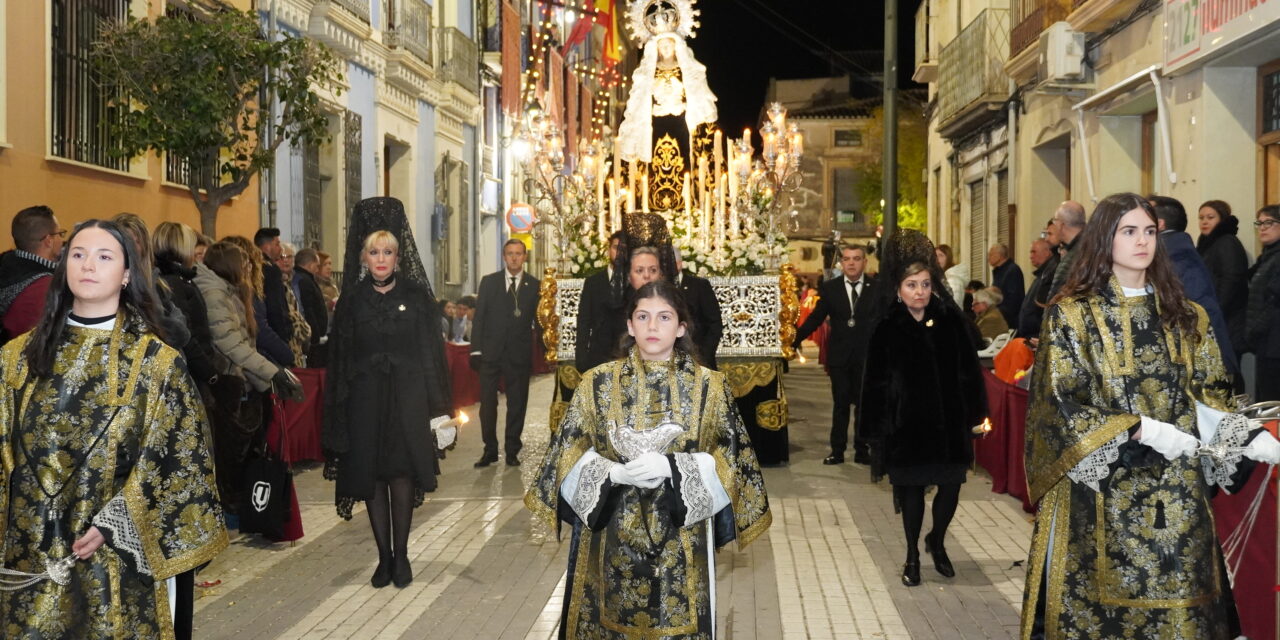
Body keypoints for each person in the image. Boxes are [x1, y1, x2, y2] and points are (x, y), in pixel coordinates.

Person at [1020, 193, 1280, 638]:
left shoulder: (1185, 315)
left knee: (1182, 606)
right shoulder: (1073, 313)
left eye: (1149, 231)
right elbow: (1061, 400)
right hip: (1101, 493)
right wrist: (1140, 428)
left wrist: (1242, 432)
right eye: (1128, 231)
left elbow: (1208, 393)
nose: (1142, 241)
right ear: (1105, 238)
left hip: (1176, 492)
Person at [0, 219, 227, 638]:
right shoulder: (16, 360)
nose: (88, 265)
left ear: (125, 275)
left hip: (117, 562)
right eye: (78, 254)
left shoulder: (157, 364)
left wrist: (114, 524)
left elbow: (180, 463)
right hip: (28, 558)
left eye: (104, 257)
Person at [525, 280, 771, 638]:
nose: (653, 326)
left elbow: (732, 462)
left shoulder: (710, 387)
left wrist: (674, 468)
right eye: (643, 316)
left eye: (664, 317)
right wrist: (612, 473)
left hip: (682, 539)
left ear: (681, 327)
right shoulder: (596, 384)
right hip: (609, 535)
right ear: (630, 325)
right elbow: (565, 454)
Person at [322, 197, 452, 589]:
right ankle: (383, 557)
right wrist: (339, 413)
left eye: (388, 252)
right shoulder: (351, 303)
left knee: (401, 473)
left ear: (399, 256)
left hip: (407, 399)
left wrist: (439, 409)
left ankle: (403, 556)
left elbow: (432, 356)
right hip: (364, 401)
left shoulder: (416, 299)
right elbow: (340, 360)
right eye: (374, 251)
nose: (381, 258)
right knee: (373, 477)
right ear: (363, 257)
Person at [858, 230, 987, 588]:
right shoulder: (887, 327)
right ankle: (913, 554)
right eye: (912, 285)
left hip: (948, 425)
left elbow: (969, 374)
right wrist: (873, 432)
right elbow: (874, 384)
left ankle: (938, 540)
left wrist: (978, 416)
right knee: (911, 493)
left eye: (926, 284)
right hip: (906, 428)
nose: (920, 292)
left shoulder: (950, 322)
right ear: (898, 289)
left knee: (951, 488)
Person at [195, 241, 303, 520]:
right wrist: (273, 373)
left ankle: (240, 512)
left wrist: (267, 382)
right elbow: (233, 346)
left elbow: (245, 346)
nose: (248, 270)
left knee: (243, 452)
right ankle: (231, 515)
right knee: (230, 457)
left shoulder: (230, 292)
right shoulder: (215, 294)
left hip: (239, 382)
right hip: (227, 384)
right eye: (244, 265)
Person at [793, 244, 876, 465]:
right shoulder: (831, 288)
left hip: (866, 357)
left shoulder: (876, 288)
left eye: (856, 258)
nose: (851, 263)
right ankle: (837, 451)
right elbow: (816, 318)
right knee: (840, 404)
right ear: (841, 262)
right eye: (847, 259)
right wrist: (794, 338)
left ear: (864, 262)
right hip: (839, 357)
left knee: (863, 404)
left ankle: (862, 449)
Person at [1149, 195, 1239, 379]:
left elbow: (1195, 311)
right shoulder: (1172, 250)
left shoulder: (1175, 255)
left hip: (1199, 364)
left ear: (1159, 224)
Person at [471, 238, 540, 467]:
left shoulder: (534, 285)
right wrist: (476, 350)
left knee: (517, 403)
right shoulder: (489, 283)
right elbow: (479, 317)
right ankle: (489, 448)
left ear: (525, 257)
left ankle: (512, 449)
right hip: (490, 353)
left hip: (518, 354)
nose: (514, 257)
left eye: (518, 253)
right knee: (488, 404)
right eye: (510, 253)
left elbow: (539, 321)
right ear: (504, 256)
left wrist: (546, 349)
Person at [153, 221, 230, 411]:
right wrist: (211, 374)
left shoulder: (176, 279)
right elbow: (187, 335)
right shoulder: (174, 283)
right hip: (192, 376)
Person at [0, 205, 64, 342]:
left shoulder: (5, 265)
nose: (62, 240)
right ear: (48, 241)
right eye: (60, 234)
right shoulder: (44, 287)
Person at [1196, 199, 1249, 356]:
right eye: (1201, 217)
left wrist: (1215, 309)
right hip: (1218, 315)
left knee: (1228, 370)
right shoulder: (1207, 242)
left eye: (1210, 217)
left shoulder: (1226, 242)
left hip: (1228, 318)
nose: (1204, 221)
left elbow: (1231, 279)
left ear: (1222, 219)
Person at [574, 231, 625, 375]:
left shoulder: (634, 282)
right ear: (609, 250)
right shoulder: (593, 283)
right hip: (598, 355)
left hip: (627, 356)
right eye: (616, 248)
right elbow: (584, 321)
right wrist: (581, 359)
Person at [1247, 204, 1280, 401]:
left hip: (1274, 343)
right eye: (1260, 222)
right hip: (1267, 342)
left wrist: (1256, 329)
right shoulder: (1267, 257)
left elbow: (1274, 300)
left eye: (1269, 222)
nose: (1262, 227)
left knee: (1272, 403)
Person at [674, 247, 723, 369]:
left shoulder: (699, 285)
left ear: (679, 264)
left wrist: (705, 354)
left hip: (699, 358)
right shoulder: (656, 288)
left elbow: (714, 323)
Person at [253, 228, 294, 345]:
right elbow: (276, 304)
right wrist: (285, 333)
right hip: (274, 331)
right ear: (266, 246)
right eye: (277, 244)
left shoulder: (255, 265)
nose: (280, 249)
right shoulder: (270, 269)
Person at [293, 247, 330, 366]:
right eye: (317, 265)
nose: (317, 269)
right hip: (312, 341)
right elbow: (308, 310)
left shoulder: (305, 278)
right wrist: (315, 337)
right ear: (310, 264)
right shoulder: (304, 280)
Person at [1017, 238, 1057, 339]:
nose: (1030, 256)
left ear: (1047, 252)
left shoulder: (1049, 274)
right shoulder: (1041, 275)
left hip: (1037, 336)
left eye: (1034, 252)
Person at [1049, 200, 1086, 298]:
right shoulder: (1090, 247)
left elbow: (1056, 298)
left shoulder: (1076, 256)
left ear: (1061, 225)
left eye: (1054, 221)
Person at [988, 243, 1024, 327]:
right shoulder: (999, 271)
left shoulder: (1012, 270)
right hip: (1002, 319)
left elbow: (1013, 301)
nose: (988, 258)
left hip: (1010, 321)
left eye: (990, 254)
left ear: (999, 255)